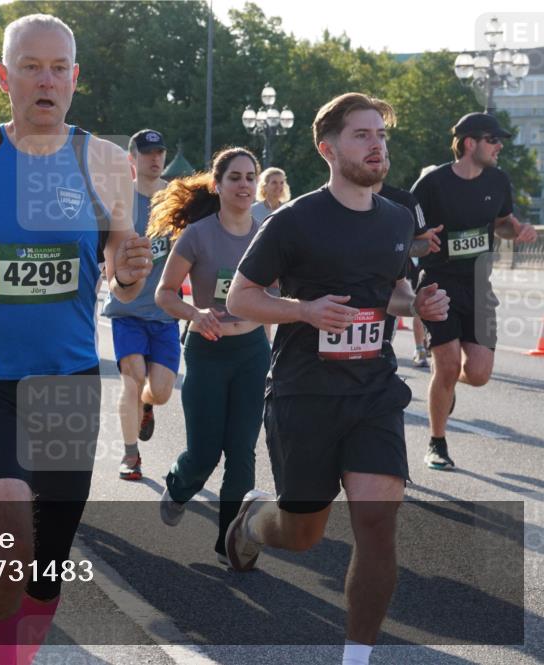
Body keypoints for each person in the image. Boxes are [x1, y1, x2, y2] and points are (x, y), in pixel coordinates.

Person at [0, 14, 151, 663]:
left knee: (45, 568)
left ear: (75, 78)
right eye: (31, 66)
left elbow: (121, 277)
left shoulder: (104, 161)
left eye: (58, 68)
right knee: (9, 546)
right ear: (3, 76)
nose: (46, 80)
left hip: (67, 380)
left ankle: (20, 650)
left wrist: (129, 272)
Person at [224, 93, 450, 665]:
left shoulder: (396, 219)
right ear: (328, 149)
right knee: (302, 534)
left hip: (374, 390)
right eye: (362, 135)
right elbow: (241, 298)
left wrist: (418, 304)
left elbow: (392, 291)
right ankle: (253, 521)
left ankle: (356, 656)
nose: (377, 146)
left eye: (381, 135)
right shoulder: (294, 221)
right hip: (304, 393)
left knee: (377, 522)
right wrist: (303, 310)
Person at [152, 147, 271, 567]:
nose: (244, 184)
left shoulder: (267, 234)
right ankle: (179, 485)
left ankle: (229, 542)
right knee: (204, 453)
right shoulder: (198, 235)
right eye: (235, 177)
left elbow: (275, 296)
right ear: (217, 185)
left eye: (250, 177)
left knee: (242, 451)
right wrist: (194, 314)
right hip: (207, 351)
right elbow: (164, 294)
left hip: (252, 352)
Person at [411, 112, 538, 471]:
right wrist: (422, 243)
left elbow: (502, 225)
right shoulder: (431, 185)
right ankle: (437, 442)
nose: (499, 147)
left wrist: (519, 230)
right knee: (448, 363)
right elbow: (407, 237)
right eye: (493, 140)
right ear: (470, 143)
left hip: (479, 285)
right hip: (438, 283)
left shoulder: (498, 180)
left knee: (479, 374)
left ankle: (445, 384)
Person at [101, 128, 177, 481]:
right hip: (126, 310)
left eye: (159, 152)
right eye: (147, 153)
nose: (155, 158)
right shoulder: (120, 200)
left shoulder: (175, 200)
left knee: (160, 392)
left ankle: (148, 406)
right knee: (131, 380)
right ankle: (131, 455)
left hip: (164, 310)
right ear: (132, 159)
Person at [374, 161, 442, 367]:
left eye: (384, 156)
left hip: (394, 284)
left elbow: (423, 243)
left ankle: (420, 348)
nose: (378, 159)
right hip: (338, 298)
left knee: (377, 360)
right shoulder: (322, 204)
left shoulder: (404, 201)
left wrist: (403, 247)